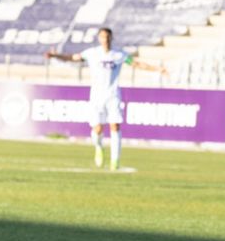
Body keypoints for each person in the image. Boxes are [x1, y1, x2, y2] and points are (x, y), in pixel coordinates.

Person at [45, 27, 165, 171]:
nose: (105, 39)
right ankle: (99, 147)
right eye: (102, 37)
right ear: (99, 38)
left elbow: (137, 64)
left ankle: (115, 161)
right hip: (96, 96)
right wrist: (55, 56)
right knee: (97, 128)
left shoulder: (118, 55)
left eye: (107, 37)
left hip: (113, 95)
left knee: (115, 126)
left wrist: (157, 69)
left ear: (111, 38)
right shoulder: (92, 53)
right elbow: (73, 58)